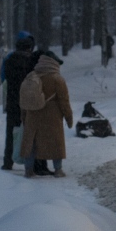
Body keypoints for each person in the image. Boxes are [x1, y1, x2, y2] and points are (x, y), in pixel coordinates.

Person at [21, 48, 74, 178]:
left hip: (32, 114)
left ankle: (28, 170)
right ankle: (58, 170)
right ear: (53, 63)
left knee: (31, 143)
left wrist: (24, 116)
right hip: (52, 116)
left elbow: (24, 99)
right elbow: (64, 101)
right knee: (55, 142)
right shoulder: (57, 79)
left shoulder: (31, 76)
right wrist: (69, 117)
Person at [0, 32, 36, 171]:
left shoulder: (9, 60)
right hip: (27, 102)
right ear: (29, 48)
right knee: (30, 132)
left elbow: (4, 79)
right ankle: (30, 163)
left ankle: (7, 162)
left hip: (12, 102)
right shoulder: (32, 62)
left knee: (10, 133)